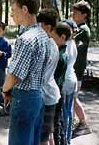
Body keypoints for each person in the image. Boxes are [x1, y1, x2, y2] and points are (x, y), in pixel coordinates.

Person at [2, 0, 50, 145]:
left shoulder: (26, 39)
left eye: (13, 10)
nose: (11, 14)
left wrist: (5, 90)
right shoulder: (43, 35)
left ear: (24, 9)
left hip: (24, 98)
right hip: (38, 95)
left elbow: (15, 75)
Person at [37, 9, 61, 145]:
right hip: (49, 95)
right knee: (47, 134)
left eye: (37, 25)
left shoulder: (47, 46)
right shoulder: (51, 44)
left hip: (46, 97)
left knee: (43, 138)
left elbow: (41, 76)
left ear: (46, 27)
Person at [71, 0, 92, 137]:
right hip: (73, 69)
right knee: (71, 97)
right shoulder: (78, 27)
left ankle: (83, 123)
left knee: (73, 97)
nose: (73, 14)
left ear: (84, 15)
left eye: (76, 12)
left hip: (77, 70)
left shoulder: (83, 30)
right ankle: (71, 121)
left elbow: (69, 39)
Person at [51, 22, 71, 145]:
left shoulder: (60, 56)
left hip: (56, 91)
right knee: (58, 122)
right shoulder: (61, 51)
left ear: (62, 37)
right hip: (58, 90)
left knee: (55, 125)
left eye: (54, 36)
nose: (51, 39)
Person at [61, 19, 78, 144]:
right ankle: (67, 138)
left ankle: (65, 139)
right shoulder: (72, 43)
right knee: (69, 110)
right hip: (72, 79)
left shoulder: (66, 45)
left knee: (64, 112)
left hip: (66, 81)